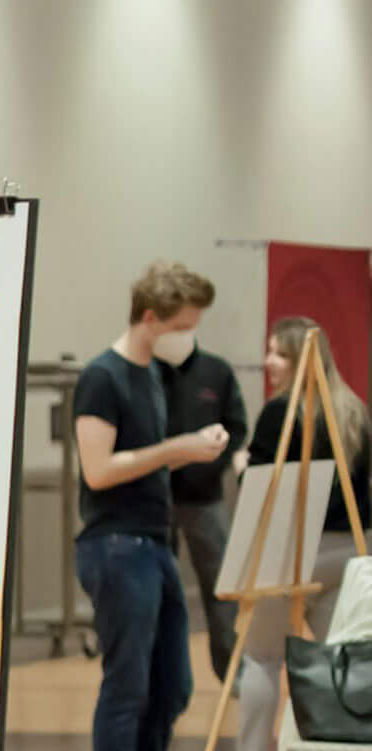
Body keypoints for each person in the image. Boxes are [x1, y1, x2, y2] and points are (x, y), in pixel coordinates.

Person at [72, 261, 229, 751]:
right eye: (183, 326)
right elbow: (98, 469)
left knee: (173, 684)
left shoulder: (152, 378)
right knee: (128, 683)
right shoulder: (102, 379)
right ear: (150, 319)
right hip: (116, 546)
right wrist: (175, 451)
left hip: (153, 544)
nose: (187, 337)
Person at [218, 316, 371, 751]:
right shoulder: (354, 412)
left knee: (263, 656)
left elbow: (262, 489)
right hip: (347, 550)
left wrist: (243, 465)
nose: (269, 362)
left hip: (290, 549)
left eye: (279, 354)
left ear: (303, 359)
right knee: (336, 661)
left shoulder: (280, 414)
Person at [159, 292, 248, 683]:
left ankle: (230, 671)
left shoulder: (216, 372)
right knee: (160, 586)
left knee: (221, 586)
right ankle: (163, 673)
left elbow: (237, 426)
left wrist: (214, 466)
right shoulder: (149, 371)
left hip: (205, 497)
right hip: (156, 497)